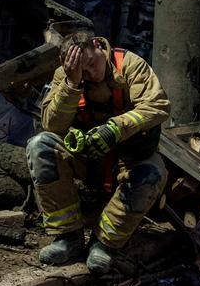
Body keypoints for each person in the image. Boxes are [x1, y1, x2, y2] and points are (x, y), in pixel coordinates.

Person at [25, 31, 170, 273]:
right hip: (87, 158)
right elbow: (52, 125)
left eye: (92, 64)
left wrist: (115, 128)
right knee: (40, 145)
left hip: (128, 159)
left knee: (153, 173)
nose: (91, 74)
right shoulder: (67, 74)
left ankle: (104, 244)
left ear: (97, 45)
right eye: (84, 71)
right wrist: (72, 84)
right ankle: (67, 237)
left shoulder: (129, 65)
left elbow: (157, 105)